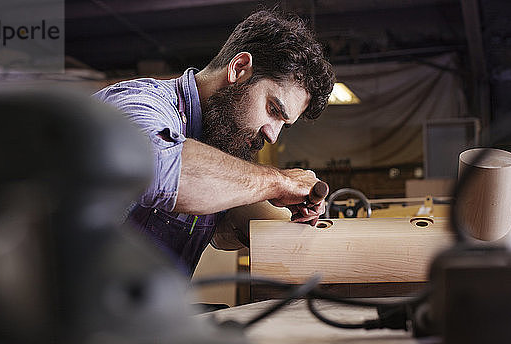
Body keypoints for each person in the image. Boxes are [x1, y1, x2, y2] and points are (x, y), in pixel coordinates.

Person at [94, 10, 335, 276]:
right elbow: (161, 170)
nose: (272, 136)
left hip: (137, 312)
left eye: (283, 124)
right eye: (273, 110)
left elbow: (221, 234)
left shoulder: (219, 140)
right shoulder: (140, 103)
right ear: (239, 69)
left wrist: (292, 216)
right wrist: (279, 182)